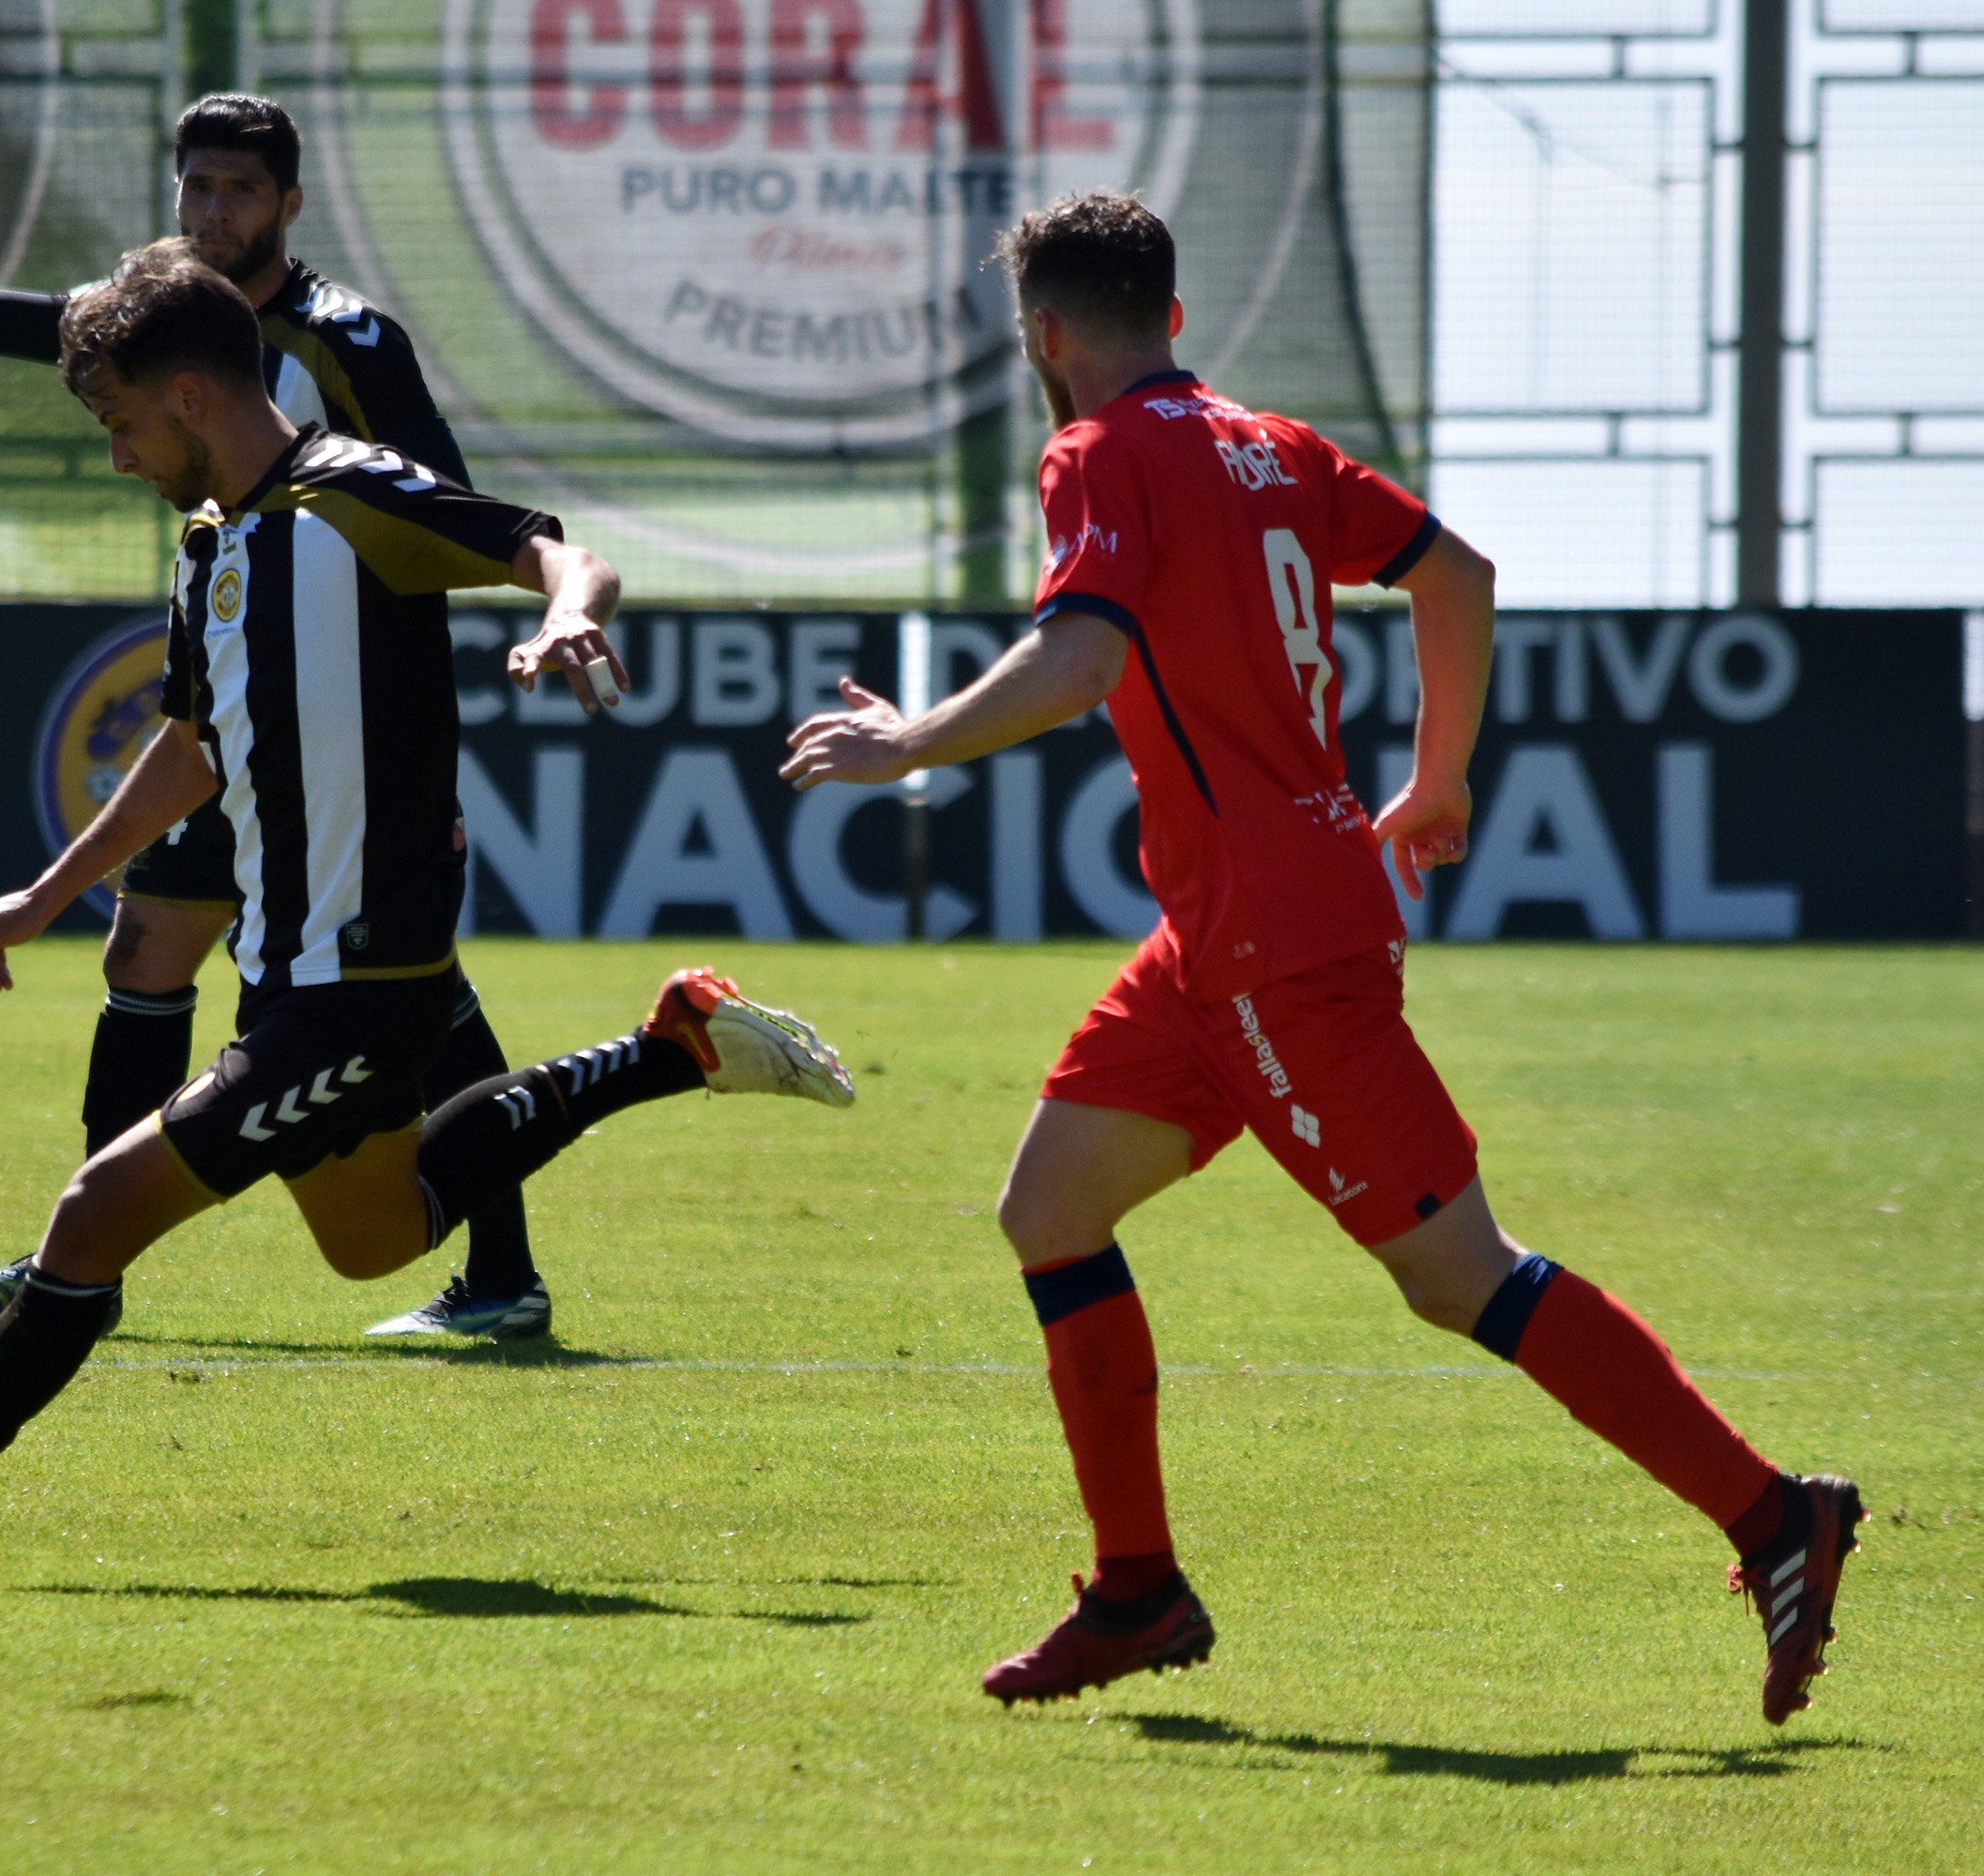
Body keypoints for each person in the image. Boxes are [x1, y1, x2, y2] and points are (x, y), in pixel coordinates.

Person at [780, 193, 1860, 1726]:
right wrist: (1440, 780)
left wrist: (909, 746)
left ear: (1047, 335)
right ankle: (1137, 1591)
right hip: (1222, 936)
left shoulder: (1095, 450)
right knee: (1051, 1207)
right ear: (1172, 314)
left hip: (1271, 951)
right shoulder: (1273, 446)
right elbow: (1458, 573)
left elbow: (1082, 657)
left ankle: (1773, 1515)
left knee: (1461, 1277)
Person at [0, 246, 856, 1583]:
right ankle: (672, 1048)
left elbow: (562, 552)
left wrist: (567, 617)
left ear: (193, 395)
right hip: (286, 972)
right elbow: (190, 747)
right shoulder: (210, 546)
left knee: (93, 1217)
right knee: (374, 1239)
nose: (117, 457)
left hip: (366, 984)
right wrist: (50, 892)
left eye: (121, 424)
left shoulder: (354, 492)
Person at [0, 94, 553, 1343]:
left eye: (241, 189)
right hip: (233, 700)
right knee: (147, 954)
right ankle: (85, 1258)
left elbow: (445, 519)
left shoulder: (349, 340)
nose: (214, 210)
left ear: (290, 204)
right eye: (197, 186)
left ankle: (500, 1271)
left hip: (342, 726)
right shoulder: (147, 318)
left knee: (410, 987)